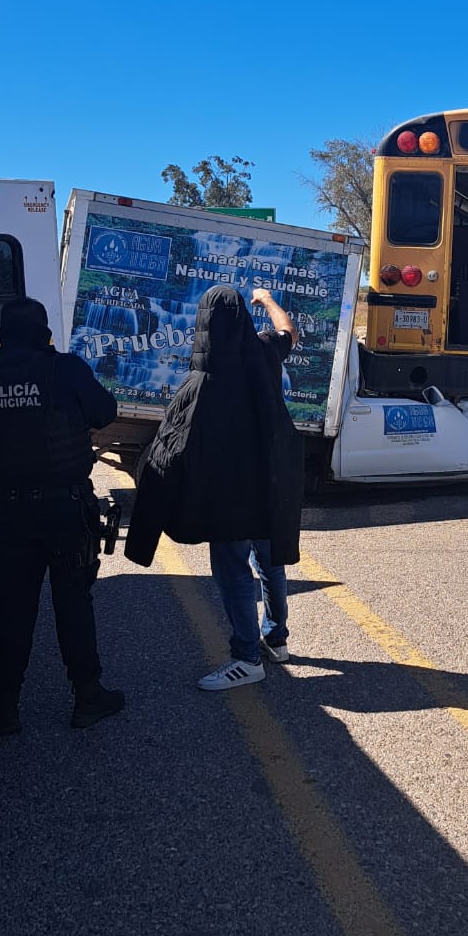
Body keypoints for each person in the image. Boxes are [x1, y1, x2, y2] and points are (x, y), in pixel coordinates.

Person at [0, 297, 125, 735]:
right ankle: (87, 696)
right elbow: (106, 412)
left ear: (2, 335)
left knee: (12, 609)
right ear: (44, 334)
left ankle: (4, 706)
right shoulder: (65, 369)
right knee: (73, 604)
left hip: (7, 512)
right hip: (64, 509)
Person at [125, 285, 303, 688]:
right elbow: (290, 331)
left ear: (203, 324)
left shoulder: (200, 382)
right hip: (271, 488)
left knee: (233, 571)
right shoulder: (265, 352)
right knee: (270, 561)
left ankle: (246, 659)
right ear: (242, 317)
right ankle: (276, 640)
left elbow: (168, 449)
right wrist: (269, 300)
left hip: (229, 499)